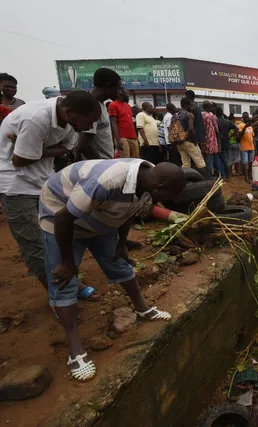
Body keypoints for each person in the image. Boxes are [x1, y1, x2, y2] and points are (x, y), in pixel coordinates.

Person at [39, 159, 185, 381]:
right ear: (160, 187)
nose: (167, 201)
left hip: (99, 216)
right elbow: (64, 218)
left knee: (118, 262)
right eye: (169, 195)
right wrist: (68, 262)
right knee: (64, 281)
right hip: (61, 217)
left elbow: (129, 211)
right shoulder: (106, 181)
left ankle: (142, 309)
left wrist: (121, 243)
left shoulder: (147, 181)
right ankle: (75, 351)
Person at [0, 91, 101, 298]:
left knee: (57, 235)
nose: (90, 127)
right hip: (16, 185)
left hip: (45, 181)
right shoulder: (35, 118)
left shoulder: (71, 122)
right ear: (70, 111)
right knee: (34, 244)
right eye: (88, 121)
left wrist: (37, 149)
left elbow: (67, 148)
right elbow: (19, 161)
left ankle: (67, 281)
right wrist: (45, 150)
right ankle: (60, 294)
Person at [76, 68, 122, 161]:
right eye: (118, 88)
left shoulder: (101, 105)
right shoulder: (90, 106)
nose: (120, 92)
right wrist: (101, 166)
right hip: (97, 166)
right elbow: (85, 144)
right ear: (108, 86)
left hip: (103, 163)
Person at [176, 98, 207, 174]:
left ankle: (186, 182)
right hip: (189, 142)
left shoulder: (176, 115)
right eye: (191, 104)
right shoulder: (189, 114)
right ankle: (206, 180)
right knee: (200, 162)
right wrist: (195, 141)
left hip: (179, 142)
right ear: (187, 105)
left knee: (185, 164)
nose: (193, 106)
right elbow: (191, 129)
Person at [108, 89, 138, 158]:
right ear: (120, 93)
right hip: (122, 137)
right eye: (126, 93)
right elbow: (113, 123)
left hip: (133, 137)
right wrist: (118, 140)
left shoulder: (128, 106)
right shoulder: (113, 105)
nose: (128, 95)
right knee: (125, 159)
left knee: (136, 159)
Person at [201, 101, 221, 178]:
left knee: (206, 158)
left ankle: (208, 174)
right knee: (211, 159)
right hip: (212, 140)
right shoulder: (211, 115)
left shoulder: (201, 115)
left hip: (204, 140)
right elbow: (216, 128)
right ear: (208, 107)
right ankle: (210, 175)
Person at [216, 106, 238, 179]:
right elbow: (236, 128)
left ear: (216, 113)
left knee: (219, 160)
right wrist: (230, 136)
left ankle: (223, 175)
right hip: (226, 142)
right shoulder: (227, 121)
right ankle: (227, 175)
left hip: (217, 143)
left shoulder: (215, 121)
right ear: (222, 113)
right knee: (226, 160)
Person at [237, 112, 255, 183]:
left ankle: (250, 175)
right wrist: (245, 127)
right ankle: (246, 177)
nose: (247, 118)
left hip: (251, 147)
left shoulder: (250, 126)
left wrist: (254, 145)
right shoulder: (240, 125)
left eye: (248, 117)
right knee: (245, 163)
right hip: (244, 147)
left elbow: (252, 136)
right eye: (245, 117)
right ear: (243, 117)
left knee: (251, 162)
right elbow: (239, 135)